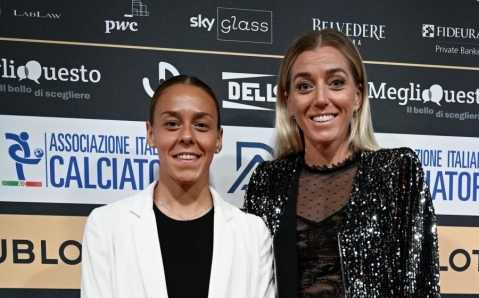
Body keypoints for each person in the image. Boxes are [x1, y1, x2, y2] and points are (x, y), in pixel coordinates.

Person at [244, 29, 440, 297]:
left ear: (358, 95)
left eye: (336, 82)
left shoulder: (396, 171)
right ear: (288, 101)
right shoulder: (268, 180)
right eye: (304, 86)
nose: (321, 99)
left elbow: (420, 286)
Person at [81, 75, 275, 298]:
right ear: (151, 134)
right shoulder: (106, 226)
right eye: (172, 124)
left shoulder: (252, 233)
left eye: (201, 125)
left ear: (218, 138)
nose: (186, 136)